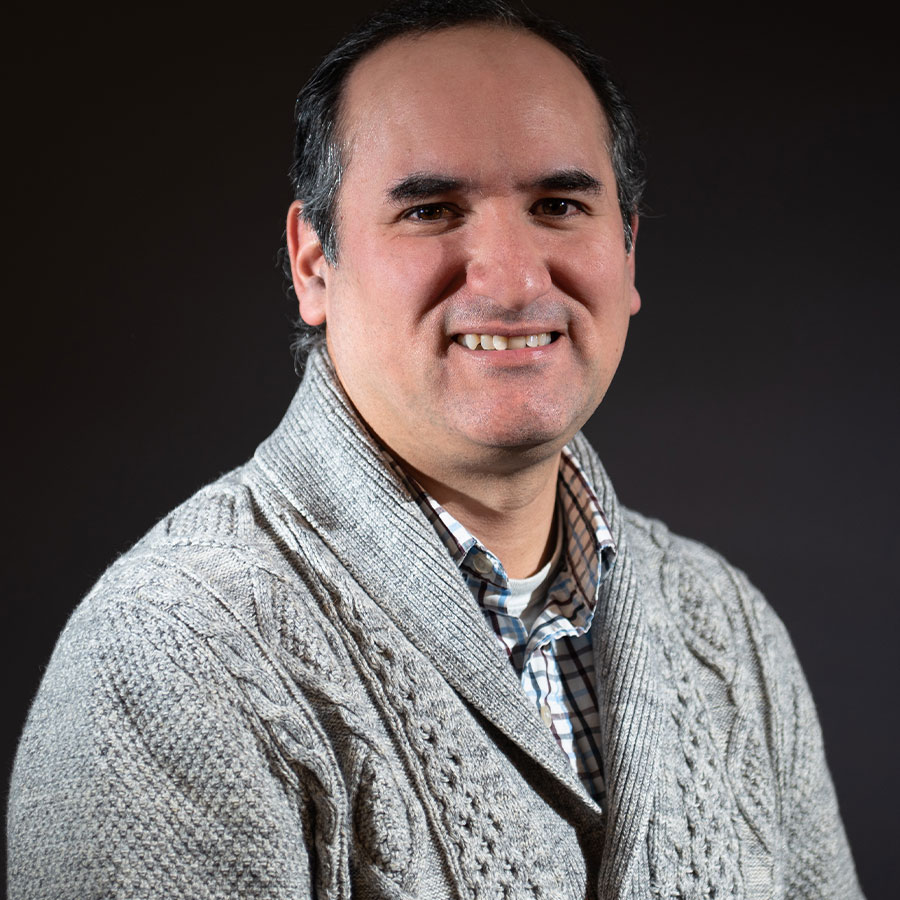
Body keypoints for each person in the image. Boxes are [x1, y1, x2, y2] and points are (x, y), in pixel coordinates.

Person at [7, 1, 864, 898]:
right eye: (431, 209)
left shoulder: (726, 627)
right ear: (312, 264)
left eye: (560, 205)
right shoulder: (170, 656)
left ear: (628, 249)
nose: (512, 276)